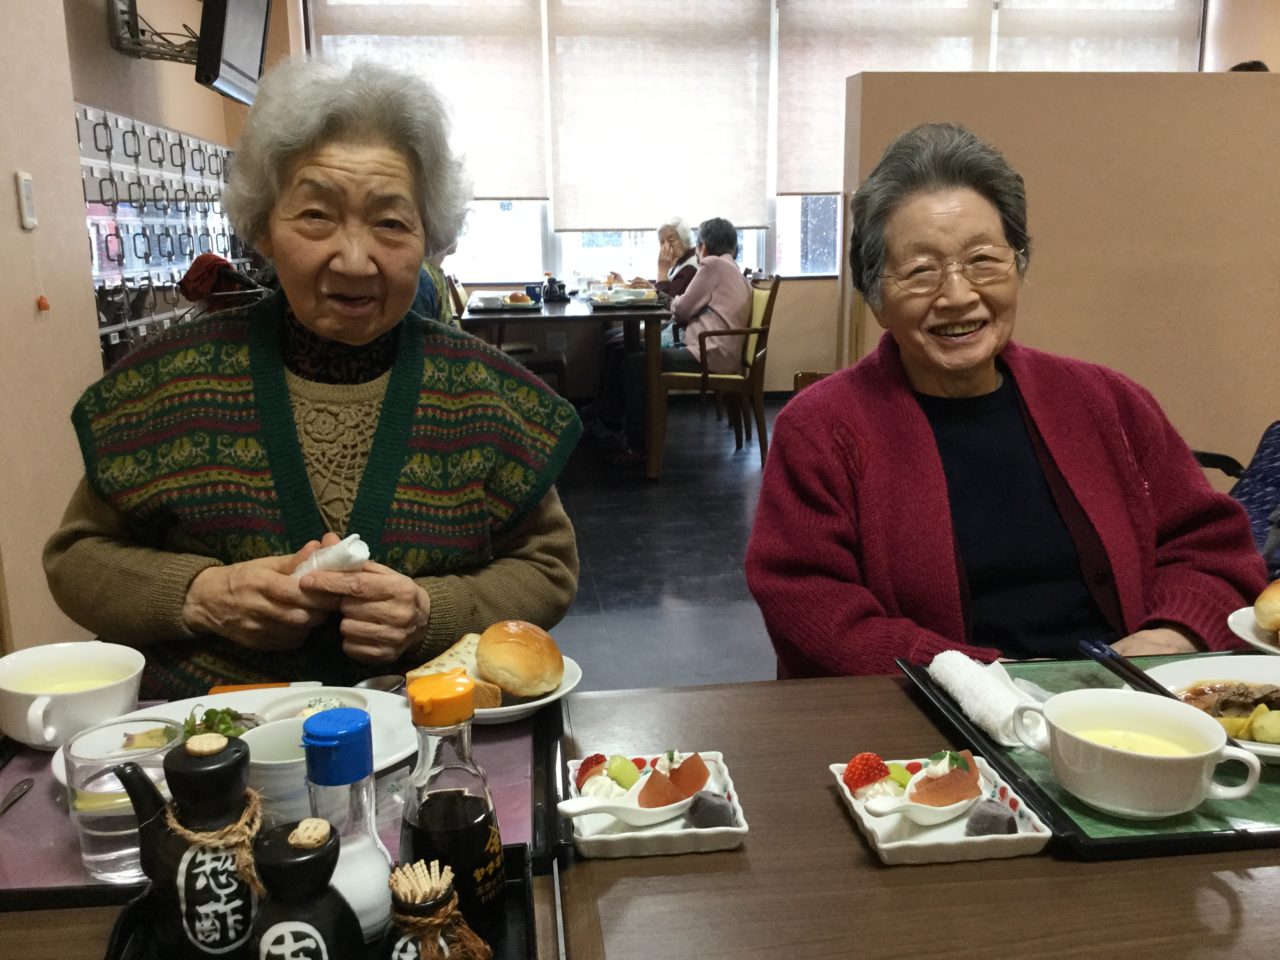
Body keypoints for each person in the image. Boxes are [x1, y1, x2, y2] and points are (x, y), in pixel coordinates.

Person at [43, 60, 582, 699]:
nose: (354, 260)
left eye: (391, 223)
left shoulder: (482, 394)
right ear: (264, 228)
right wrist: (205, 595)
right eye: (317, 215)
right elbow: (77, 559)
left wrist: (429, 611)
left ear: (429, 240)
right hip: (215, 734)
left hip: (426, 732)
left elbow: (547, 566)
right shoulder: (170, 384)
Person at [745, 122, 1266, 677]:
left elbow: (1211, 550)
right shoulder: (822, 430)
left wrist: (1170, 635)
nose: (957, 295)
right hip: (934, 715)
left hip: (1127, 700)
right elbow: (811, 605)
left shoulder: (1108, 402)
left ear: (1018, 266)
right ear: (876, 299)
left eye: (983, 260)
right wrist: (988, 679)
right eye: (920, 271)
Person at [589, 217, 751, 459]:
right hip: (722, 352)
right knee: (634, 357)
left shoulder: (712, 266)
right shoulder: (733, 270)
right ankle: (618, 429)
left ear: (702, 246)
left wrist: (672, 302)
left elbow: (681, 310)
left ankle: (637, 446)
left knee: (635, 363)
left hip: (708, 353)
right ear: (733, 247)